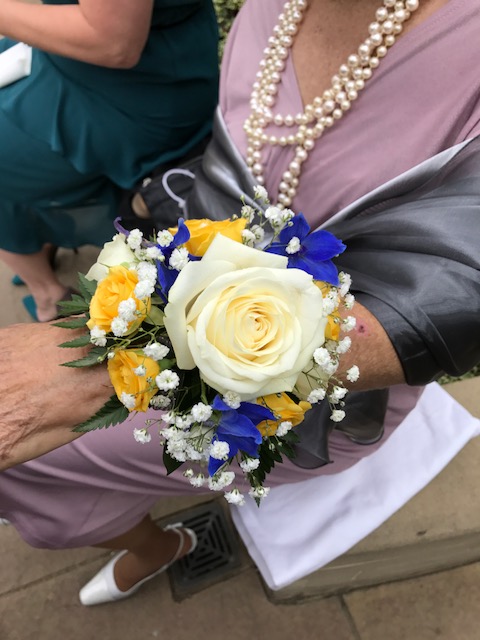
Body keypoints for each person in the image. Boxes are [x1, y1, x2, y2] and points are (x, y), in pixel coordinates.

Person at [1, 0, 480, 606]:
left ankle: (158, 548)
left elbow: (453, 299)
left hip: (309, 390)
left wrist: (123, 360)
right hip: (197, 295)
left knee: (28, 460)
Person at [0, 0, 219, 321]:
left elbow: (113, 41)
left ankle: (47, 294)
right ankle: (43, 238)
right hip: (141, 61)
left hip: (136, 91)